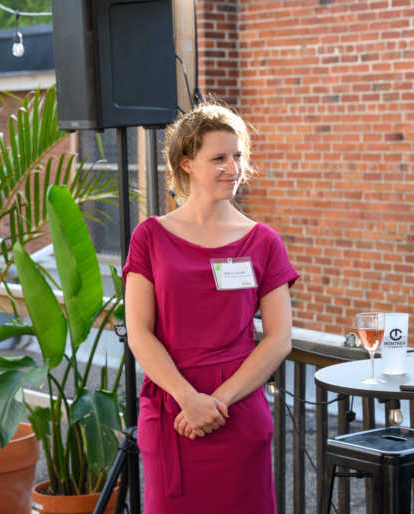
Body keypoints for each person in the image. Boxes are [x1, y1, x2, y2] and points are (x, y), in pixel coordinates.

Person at [123, 101, 299, 513]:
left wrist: (214, 402)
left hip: (237, 411)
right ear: (186, 163)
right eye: (218, 158)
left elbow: (279, 339)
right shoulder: (149, 236)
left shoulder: (264, 241)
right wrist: (189, 399)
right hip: (173, 410)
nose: (233, 168)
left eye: (238, 156)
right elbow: (139, 332)